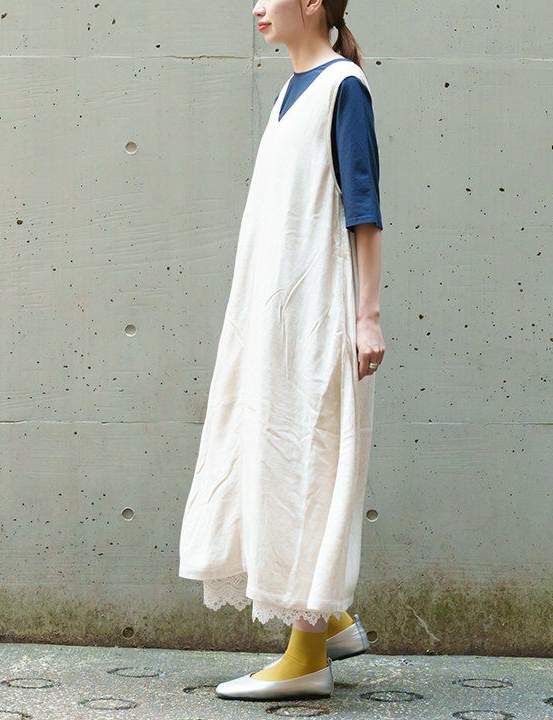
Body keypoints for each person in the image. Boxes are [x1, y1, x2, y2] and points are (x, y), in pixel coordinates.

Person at [178, 0, 385, 701]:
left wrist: (367, 317)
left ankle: (306, 657)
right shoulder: (290, 92)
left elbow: (364, 211)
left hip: (317, 316)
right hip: (274, 319)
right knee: (271, 454)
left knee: (309, 463)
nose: (257, 7)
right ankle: (331, 617)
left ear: (314, 4)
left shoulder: (342, 88)